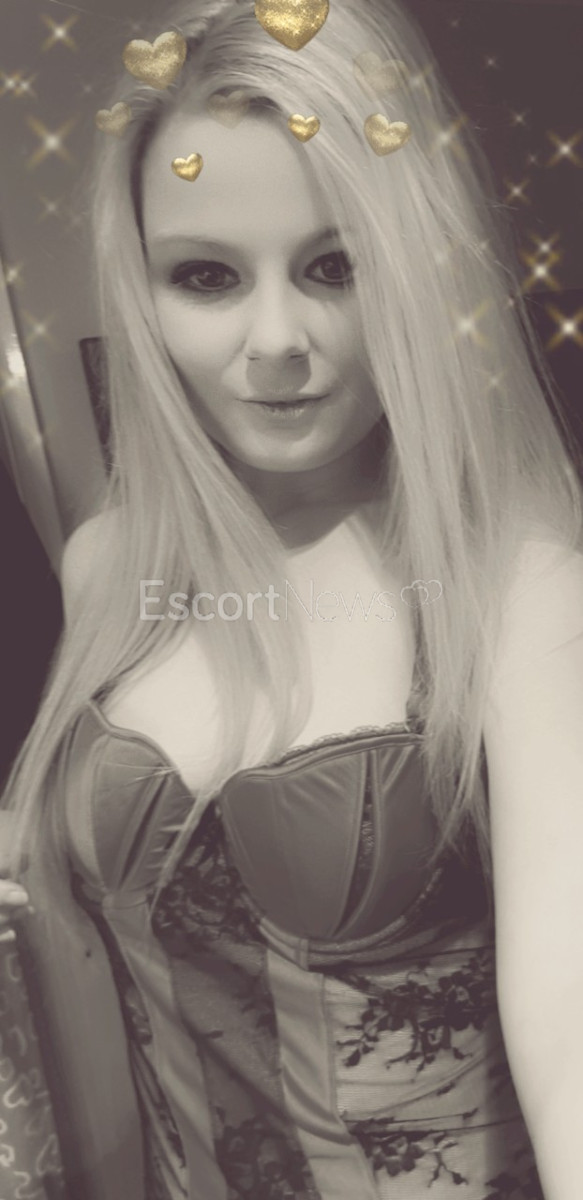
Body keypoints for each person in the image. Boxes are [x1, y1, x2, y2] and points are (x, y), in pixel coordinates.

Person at [1, 0, 583, 1197]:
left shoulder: (513, 587)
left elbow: (571, 1014)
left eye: (335, 267)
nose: (276, 339)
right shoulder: (106, 566)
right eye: (206, 276)